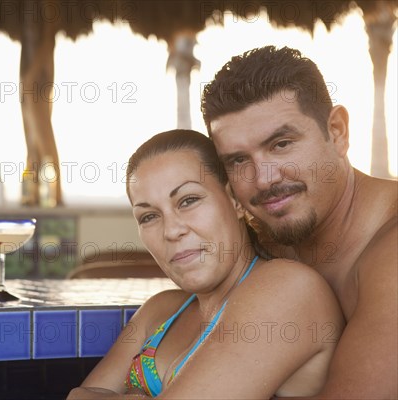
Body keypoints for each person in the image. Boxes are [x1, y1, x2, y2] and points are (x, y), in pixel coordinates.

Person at [67, 129, 344, 399]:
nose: (171, 231)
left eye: (188, 200)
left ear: (235, 200)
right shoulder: (159, 311)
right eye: (149, 216)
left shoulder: (288, 289)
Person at [201, 45, 397, 399]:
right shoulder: (262, 241)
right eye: (238, 160)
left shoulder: (391, 253)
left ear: (336, 132)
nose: (263, 179)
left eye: (281, 144)